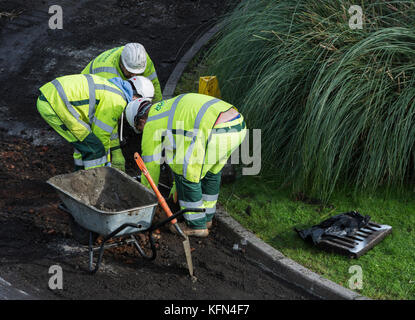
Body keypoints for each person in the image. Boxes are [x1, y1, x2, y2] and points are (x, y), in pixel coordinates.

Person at [124, 93, 247, 237]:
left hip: (215, 130)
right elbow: (178, 153)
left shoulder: (152, 123)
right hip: (237, 126)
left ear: (140, 120)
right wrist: (177, 186)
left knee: (187, 173)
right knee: (211, 172)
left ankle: (196, 225)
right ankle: (206, 218)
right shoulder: (168, 109)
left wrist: (146, 199)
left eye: (139, 129)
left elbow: (150, 167)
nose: (142, 131)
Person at [37, 74, 154, 171]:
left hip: (53, 98)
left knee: (85, 143)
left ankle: (79, 177)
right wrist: (105, 167)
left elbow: (109, 131)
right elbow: (101, 136)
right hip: (54, 104)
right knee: (94, 148)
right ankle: (94, 184)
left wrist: (112, 156)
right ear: (137, 97)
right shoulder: (117, 101)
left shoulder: (115, 89)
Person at [81, 43, 162, 102]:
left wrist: (157, 110)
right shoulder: (107, 73)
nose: (134, 75)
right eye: (130, 72)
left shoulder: (141, 59)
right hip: (86, 92)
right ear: (122, 64)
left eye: (138, 73)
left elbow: (154, 84)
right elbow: (111, 104)